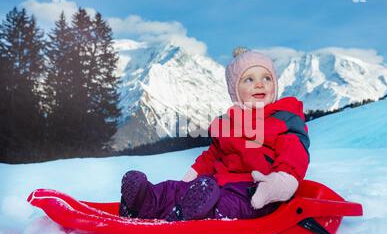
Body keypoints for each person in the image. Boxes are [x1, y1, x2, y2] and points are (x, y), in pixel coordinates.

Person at [119, 47, 310, 221]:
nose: (260, 84)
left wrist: (281, 181)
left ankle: (198, 213)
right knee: (176, 189)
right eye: (249, 79)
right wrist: (191, 177)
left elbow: (294, 153)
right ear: (235, 90)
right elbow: (213, 156)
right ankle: (145, 200)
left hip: (257, 192)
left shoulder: (283, 119)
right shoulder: (229, 122)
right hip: (216, 185)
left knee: (226, 203)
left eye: (266, 78)